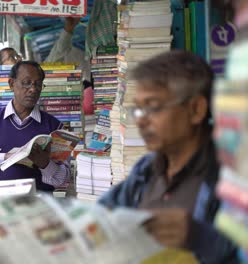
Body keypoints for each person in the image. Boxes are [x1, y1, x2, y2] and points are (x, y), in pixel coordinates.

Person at [98, 50, 239, 263]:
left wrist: (200, 238)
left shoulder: (233, 178)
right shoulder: (146, 171)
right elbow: (100, 215)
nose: (141, 121)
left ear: (196, 110)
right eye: (137, 110)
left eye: (153, 107)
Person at [0, 61, 70, 191]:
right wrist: (7, 157)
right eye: (26, 82)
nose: (33, 89)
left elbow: (64, 179)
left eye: (38, 84)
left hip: (38, 206)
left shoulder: (55, 127)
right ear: (12, 84)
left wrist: (45, 164)